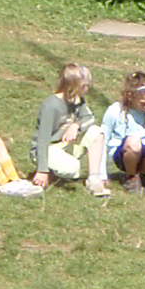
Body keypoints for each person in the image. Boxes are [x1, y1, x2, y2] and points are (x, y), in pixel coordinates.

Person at [31, 64, 112, 196]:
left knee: (97, 132)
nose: (87, 89)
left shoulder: (78, 101)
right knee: (73, 168)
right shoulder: (51, 106)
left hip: (66, 144)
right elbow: (43, 139)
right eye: (84, 86)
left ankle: (94, 179)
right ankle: (49, 171)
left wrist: (76, 125)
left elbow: (90, 118)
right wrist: (42, 170)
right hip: (49, 148)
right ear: (72, 85)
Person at [101, 70, 145, 190]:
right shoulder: (115, 111)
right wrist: (101, 174)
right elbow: (102, 140)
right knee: (133, 141)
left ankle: (140, 174)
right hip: (123, 153)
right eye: (143, 103)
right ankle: (131, 176)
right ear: (130, 96)